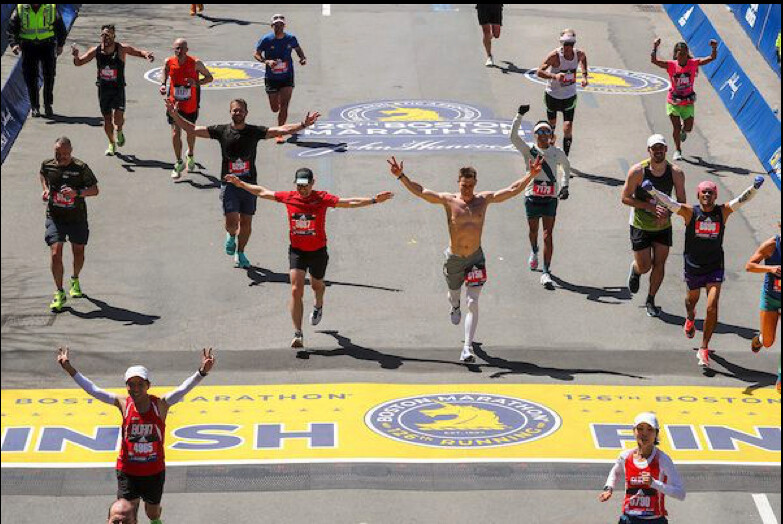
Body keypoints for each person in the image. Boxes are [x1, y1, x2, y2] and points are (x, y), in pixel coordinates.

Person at [388, 155, 543, 362]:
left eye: (470, 185)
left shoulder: (483, 200)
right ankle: (454, 305)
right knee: (454, 295)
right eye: (464, 185)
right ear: (458, 183)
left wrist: (530, 175)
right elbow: (422, 191)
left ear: (475, 183)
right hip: (454, 258)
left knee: (473, 302)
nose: (467, 189)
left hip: (475, 259)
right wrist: (401, 176)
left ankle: (467, 348)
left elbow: (512, 190)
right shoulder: (449, 200)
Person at [225, 168, 393, 348]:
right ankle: (298, 333)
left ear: (313, 183)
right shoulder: (289, 197)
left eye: (305, 185)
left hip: (318, 252)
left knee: (316, 285)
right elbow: (263, 192)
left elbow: (348, 202)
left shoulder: (322, 199)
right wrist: (241, 184)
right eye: (299, 185)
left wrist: (374, 200)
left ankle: (318, 305)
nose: (302, 189)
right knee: (295, 289)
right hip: (297, 252)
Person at [57, 346, 215, 524]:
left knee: (152, 514)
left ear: (148, 385)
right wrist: (69, 368)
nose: (135, 388)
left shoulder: (161, 404)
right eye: (131, 384)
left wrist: (202, 372)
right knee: (127, 514)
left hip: (154, 471)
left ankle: (156, 517)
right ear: (126, 386)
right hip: (127, 471)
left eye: (140, 384)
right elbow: (93, 390)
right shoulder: (123, 403)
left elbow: (184, 389)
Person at [166, 98, 320, 269]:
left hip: (249, 185)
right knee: (232, 223)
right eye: (234, 110)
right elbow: (193, 129)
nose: (237, 113)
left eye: (240, 110)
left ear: (246, 113)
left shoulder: (254, 132)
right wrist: (175, 115)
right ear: (230, 112)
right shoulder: (221, 131)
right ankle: (231, 235)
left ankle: (240, 253)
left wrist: (303, 125)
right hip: (229, 184)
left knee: (246, 223)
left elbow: (280, 130)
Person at [643, 175, 765, 367]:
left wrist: (755, 188)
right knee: (691, 301)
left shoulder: (722, 212)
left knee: (712, 306)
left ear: (715, 196)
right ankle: (690, 318)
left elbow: (741, 200)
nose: (707, 195)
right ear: (698, 195)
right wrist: (652, 191)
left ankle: (704, 347)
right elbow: (670, 203)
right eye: (704, 192)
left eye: (710, 192)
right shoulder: (690, 212)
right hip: (693, 267)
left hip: (714, 267)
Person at [622, 134, 686, 318]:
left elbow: (682, 202)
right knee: (645, 266)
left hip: (662, 227)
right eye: (654, 148)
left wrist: (668, 213)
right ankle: (636, 270)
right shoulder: (638, 172)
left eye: (661, 148)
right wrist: (649, 207)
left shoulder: (675, 173)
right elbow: (625, 198)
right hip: (640, 224)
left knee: (659, 264)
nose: (658, 151)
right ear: (648, 151)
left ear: (666, 149)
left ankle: (651, 300)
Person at [510, 106, 572, 289]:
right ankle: (534, 250)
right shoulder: (529, 150)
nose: (543, 135)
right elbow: (513, 137)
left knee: (548, 234)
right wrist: (519, 115)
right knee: (533, 230)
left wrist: (565, 185)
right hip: (532, 196)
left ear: (550, 135)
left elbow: (566, 166)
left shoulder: (557, 152)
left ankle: (546, 271)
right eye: (540, 132)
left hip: (550, 198)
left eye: (546, 131)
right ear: (535, 134)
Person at [72, 24, 155, 156]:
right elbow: (79, 62)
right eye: (103, 35)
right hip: (103, 90)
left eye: (108, 35)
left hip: (118, 89)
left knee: (118, 118)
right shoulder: (96, 50)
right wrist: (76, 56)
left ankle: (119, 130)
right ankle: (111, 143)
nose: (105, 38)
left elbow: (137, 52)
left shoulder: (121, 49)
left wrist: (146, 55)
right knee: (107, 119)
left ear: (113, 37)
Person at [39, 137, 99, 312]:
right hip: (55, 217)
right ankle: (59, 292)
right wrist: (45, 189)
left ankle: (75, 279)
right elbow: (42, 174)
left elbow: (95, 190)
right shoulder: (48, 165)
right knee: (55, 252)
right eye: (58, 153)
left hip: (76, 217)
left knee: (78, 251)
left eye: (65, 154)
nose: (61, 157)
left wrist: (76, 193)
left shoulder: (81, 168)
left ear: (71, 151)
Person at [598, 412, 686, 524]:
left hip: (654, 520)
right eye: (640, 429)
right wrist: (608, 489)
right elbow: (615, 472)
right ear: (634, 431)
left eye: (650, 429)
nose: (644, 434)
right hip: (629, 519)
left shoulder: (662, 459)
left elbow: (680, 494)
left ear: (656, 433)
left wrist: (654, 483)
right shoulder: (625, 456)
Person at [651, 38, 718, 161]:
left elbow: (711, 58)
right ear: (676, 55)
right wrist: (655, 47)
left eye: (684, 53)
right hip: (674, 102)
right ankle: (678, 150)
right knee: (675, 128)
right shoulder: (671, 65)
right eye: (680, 54)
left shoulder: (693, 63)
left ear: (687, 54)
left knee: (688, 128)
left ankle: (683, 130)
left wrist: (714, 48)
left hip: (688, 102)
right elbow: (654, 61)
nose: (682, 56)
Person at [159, 38, 213, 178]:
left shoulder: (195, 63)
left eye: (182, 48)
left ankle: (190, 154)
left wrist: (196, 82)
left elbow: (209, 78)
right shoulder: (169, 61)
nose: (179, 51)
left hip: (190, 104)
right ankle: (178, 162)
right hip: (174, 104)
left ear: (187, 50)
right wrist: (163, 84)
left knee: (190, 132)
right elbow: (164, 70)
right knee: (175, 133)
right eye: (177, 48)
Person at [253, 14, 307, 144]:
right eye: (276, 25)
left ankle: (279, 133)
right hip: (271, 77)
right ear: (272, 26)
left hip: (287, 76)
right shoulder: (266, 39)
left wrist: (302, 58)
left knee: (284, 105)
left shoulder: (291, 38)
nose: (278, 27)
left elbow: (298, 49)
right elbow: (256, 54)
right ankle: (276, 99)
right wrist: (266, 61)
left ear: (284, 26)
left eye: (281, 25)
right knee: (274, 108)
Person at [7, 3, 66, 117]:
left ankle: (48, 105)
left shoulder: (50, 7)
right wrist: (14, 44)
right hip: (28, 46)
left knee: (49, 76)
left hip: (47, 45)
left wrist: (60, 45)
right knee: (31, 78)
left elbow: (60, 27)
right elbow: (12, 28)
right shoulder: (21, 8)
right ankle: (35, 107)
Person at [536, 29, 589, 156]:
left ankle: (565, 158)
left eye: (571, 44)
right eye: (566, 44)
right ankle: (549, 152)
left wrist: (584, 76)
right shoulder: (554, 56)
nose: (568, 47)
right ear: (561, 44)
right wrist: (554, 76)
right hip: (553, 95)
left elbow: (583, 58)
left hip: (569, 96)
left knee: (568, 127)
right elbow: (539, 72)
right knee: (551, 126)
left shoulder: (578, 54)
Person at [746, 223, 781, 393]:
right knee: (768, 341)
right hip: (771, 297)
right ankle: (760, 339)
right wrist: (770, 268)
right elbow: (749, 266)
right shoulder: (771, 245)